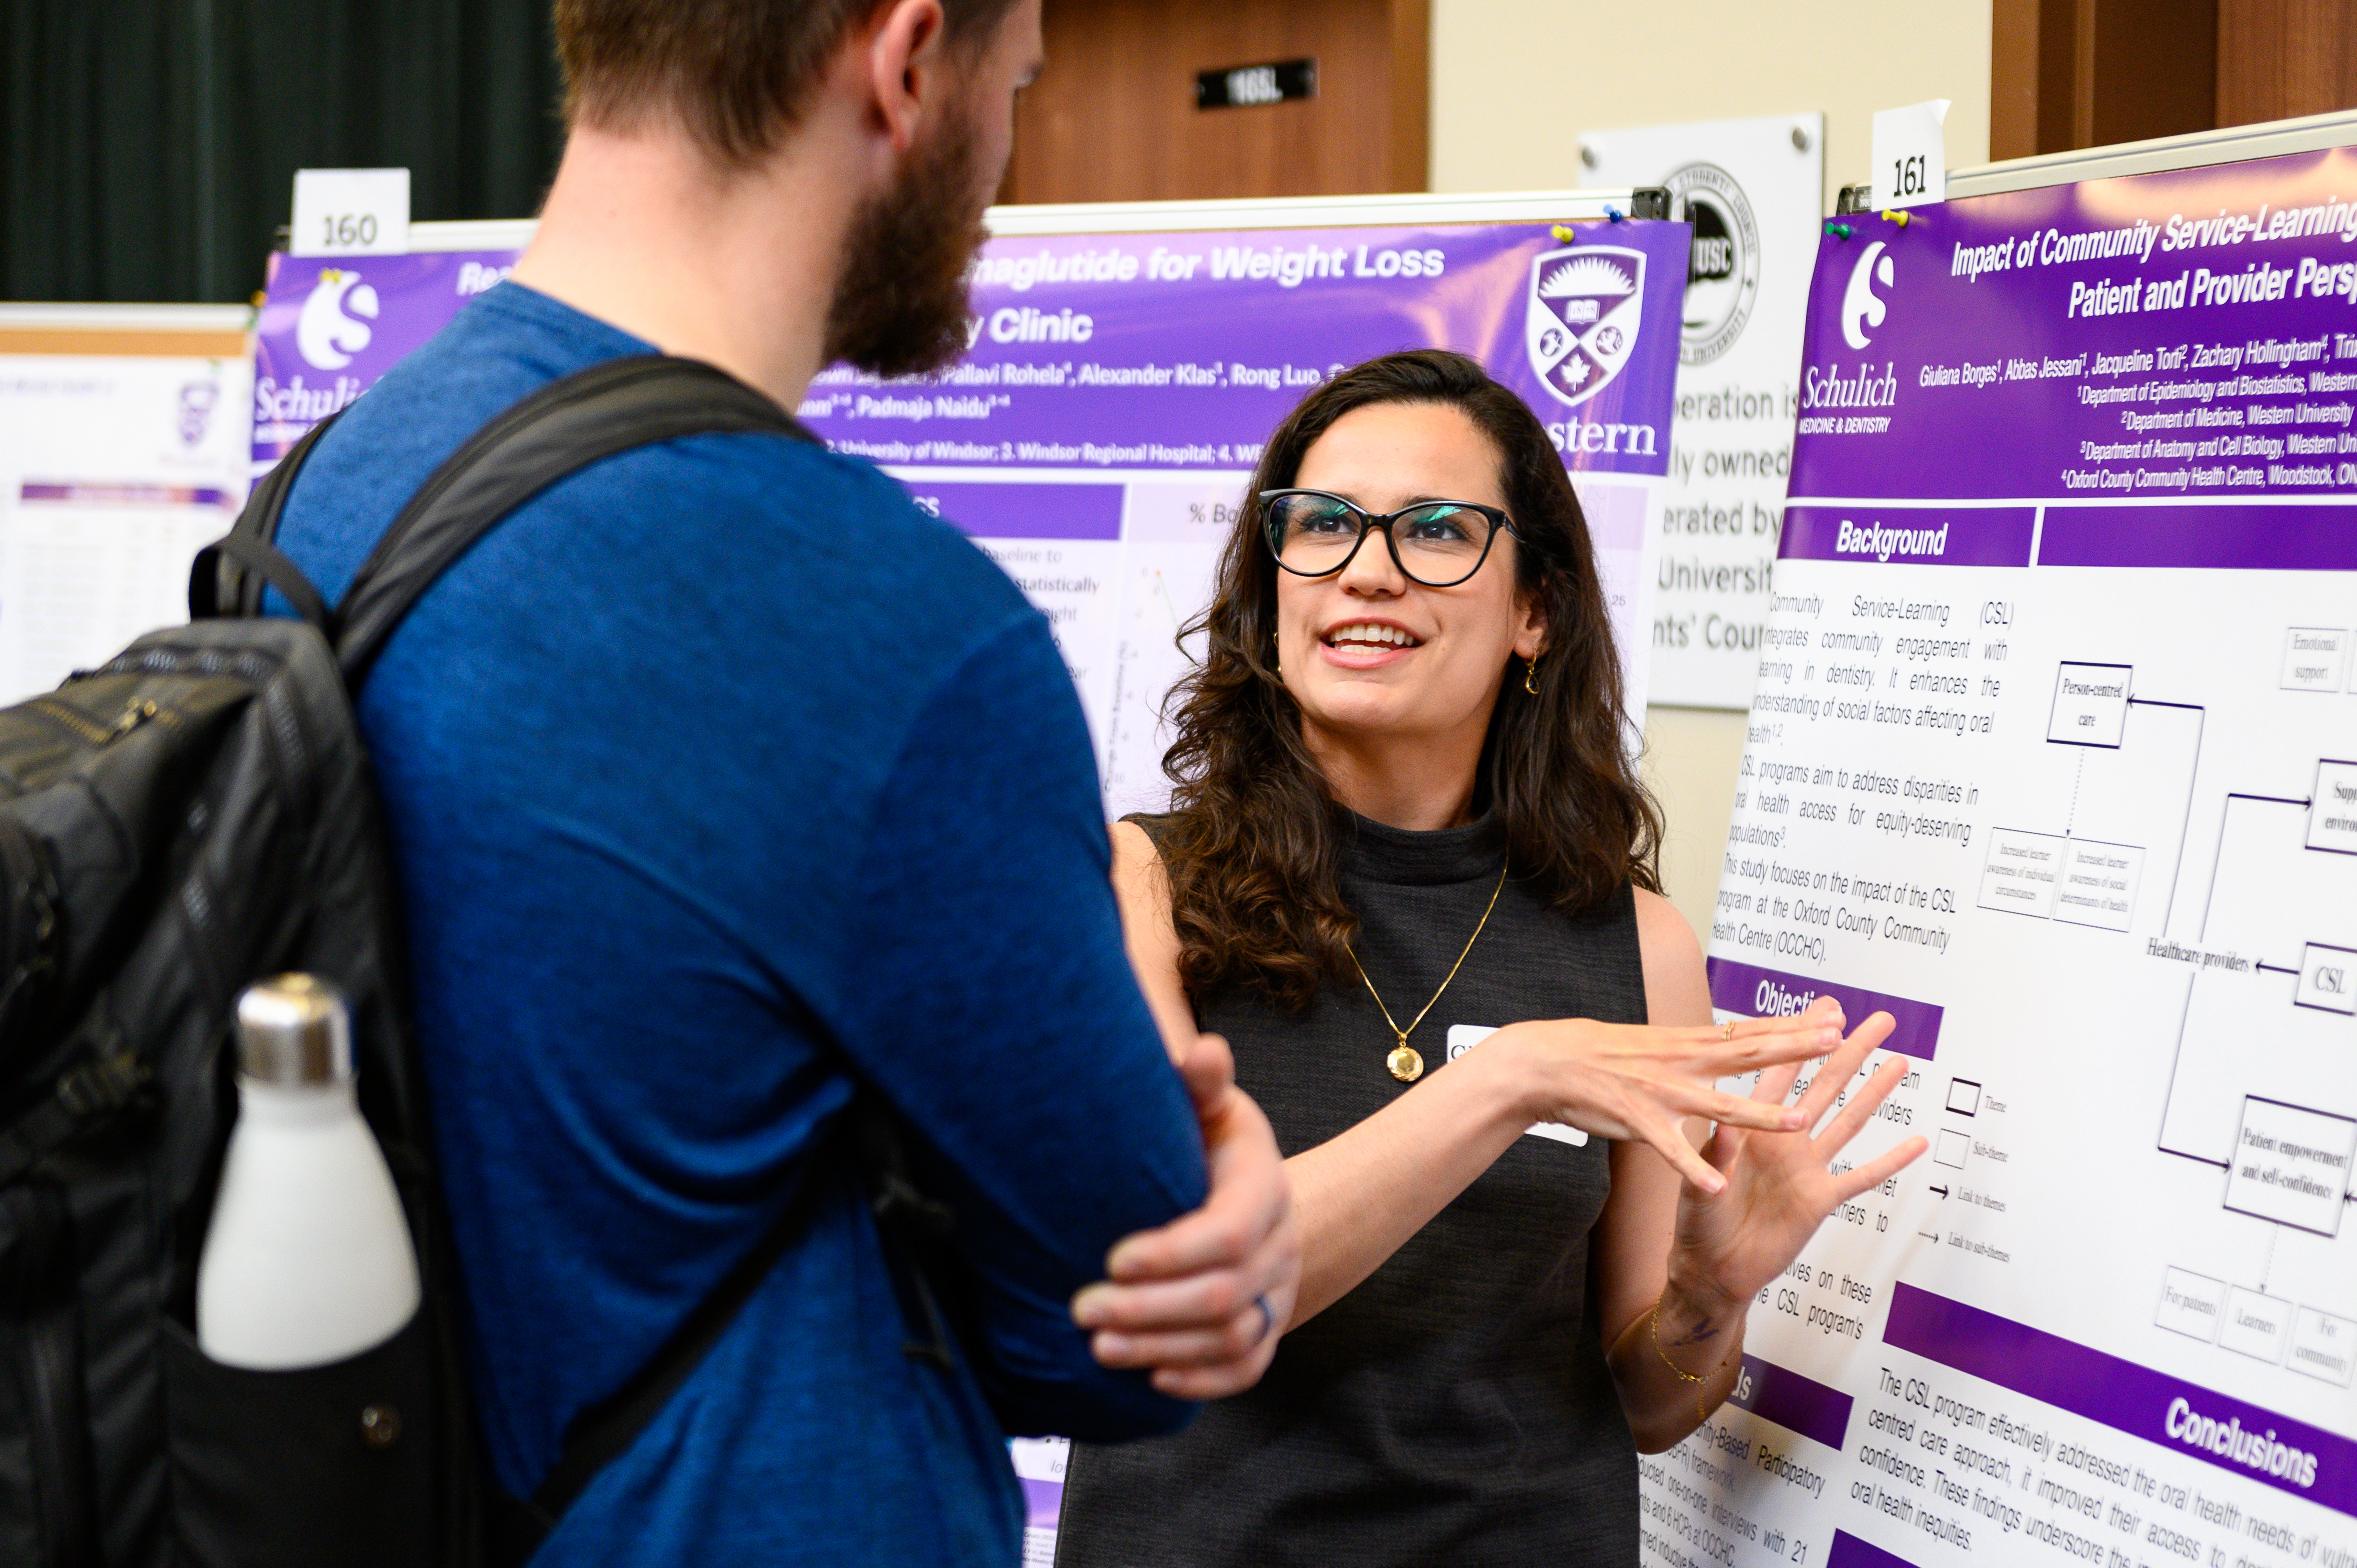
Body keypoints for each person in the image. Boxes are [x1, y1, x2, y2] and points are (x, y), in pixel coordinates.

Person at [266, 1, 1298, 1563]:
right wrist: (1208, 1115)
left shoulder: (325, 487)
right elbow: (1118, 1326)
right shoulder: (892, 630)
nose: (1007, 162)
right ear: (904, 63)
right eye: (1014, 86)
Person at [1056, 350, 1928, 1566]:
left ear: (1537, 613)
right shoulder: (1139, 887)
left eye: (1437, 531)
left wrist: (1708, 1300)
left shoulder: (1634, 941)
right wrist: (1506, 1082)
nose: (1368, 567)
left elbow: (1649, 1404)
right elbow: (1195, 1294)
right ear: (1274, 586)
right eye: (1321, 525)